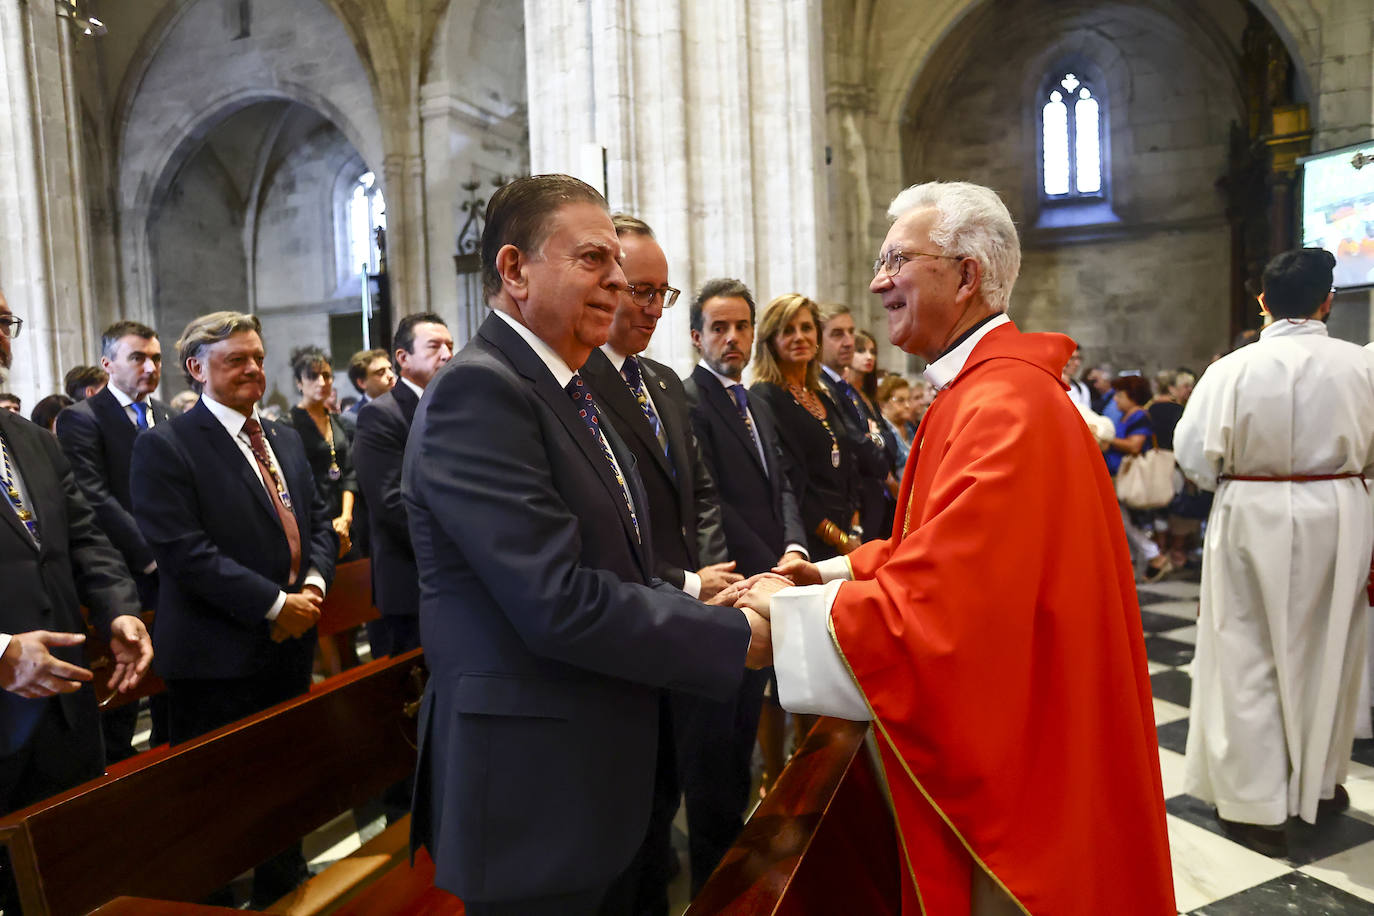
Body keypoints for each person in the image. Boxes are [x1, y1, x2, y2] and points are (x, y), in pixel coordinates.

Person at [735, 180, 1173, 914]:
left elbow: (952, 603)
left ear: (967, 275)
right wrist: (829, 573)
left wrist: (790, 619)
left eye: (896, 260)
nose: (877, 282)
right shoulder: (984, 391)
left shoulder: (1004, 404)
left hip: (1023, 758)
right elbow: (932, 549)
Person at [404, 174, 766, 916]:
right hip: (535, 788)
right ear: (514, 270)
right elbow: (557, 600)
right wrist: (734, 638)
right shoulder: (482, 393)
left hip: (600, 765)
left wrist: (701, 593)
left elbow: (618, 564)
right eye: (594, 259)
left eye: (619, 265)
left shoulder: (568, 389)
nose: (620, 281)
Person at [130, 311, 336, 907]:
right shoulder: (166, 445)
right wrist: (275, 604)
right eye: (236, 360)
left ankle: (284, 886)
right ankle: (216, 900)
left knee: (287, 781)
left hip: (289, 643)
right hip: (216, 653)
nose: (253, 370)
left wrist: (316, 585)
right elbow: (184, 552)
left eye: (257, 358)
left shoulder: (282, 437)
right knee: (219, 801)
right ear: (197, 368)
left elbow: (317, 517)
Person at [1176, 248, 1374, 858]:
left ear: (1263, 301)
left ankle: (1257, 802)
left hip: (1251, 511)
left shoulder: (1230, 370)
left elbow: (1191, 455)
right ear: (1327, 302)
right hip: (1341, 509)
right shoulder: (1362, 366)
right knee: (1328, 645)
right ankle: (1318, 782)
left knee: (1248, 649)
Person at [579, 216, 740, 910]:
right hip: (633, 620)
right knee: (629, 831)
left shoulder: (667, 383)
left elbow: (699, 490)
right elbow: (601, 526)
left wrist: (710, 576)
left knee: (679, 788)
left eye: (661, 295)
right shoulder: (576, 386)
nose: (649, 308)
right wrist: (684, 583)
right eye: (638, 290)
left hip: (686, 616)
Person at [0, 288, 152, 821]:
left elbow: (85, 538)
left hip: (65, 706)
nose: (0, 338)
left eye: (2, 322)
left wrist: (119, 610)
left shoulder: (33, 441)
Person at [56, 321, 173, 760]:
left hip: (175, 573)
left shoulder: (166, 415)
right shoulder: (82, 418)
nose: (150, 366)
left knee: (172, 688)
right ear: (107, 365)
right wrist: (151, 556)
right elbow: (95, 497)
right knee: (123, 701)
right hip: (122, 574)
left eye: (156, 358)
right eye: (137, 357)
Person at [352, 313, 452, 657]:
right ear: (403, 358)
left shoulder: (453, 407)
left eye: (450, 346)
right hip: (412, 581)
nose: (447, 354)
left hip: (456, 579)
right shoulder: (381, 415)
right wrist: (460, 548)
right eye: (435, 346)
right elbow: (391, 503)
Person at [750, 294, 861, 560]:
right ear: (771, 342)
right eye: (787, 330)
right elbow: (791, 479)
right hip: (809, 540)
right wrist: (839, 538)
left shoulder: (820, 394)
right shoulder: (764, 395)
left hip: (846, 533)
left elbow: (848, 462)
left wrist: (854, 529)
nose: (799, 337)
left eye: (806, 328)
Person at [817, 304, 889, 540]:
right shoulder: (821, 386)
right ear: (817, 340)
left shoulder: (845, 389)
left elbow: (888, 443)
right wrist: (874, 444)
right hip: (845, 508)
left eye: (850, 332)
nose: (848, 341)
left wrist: (875, 441)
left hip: (866, 501)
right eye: (838, 334)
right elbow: (855, 443)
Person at [287, 347, 358, 560]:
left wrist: (346, 517)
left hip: (345, 517)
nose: (322, 382)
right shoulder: (286, 425)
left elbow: (349, 473)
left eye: (326, 375)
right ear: (299, 383)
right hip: (311, 523)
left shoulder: (341, 422)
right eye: (313, 376)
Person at [1105, 374, 1167, 579]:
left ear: (1132, 396)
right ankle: (1131, 564)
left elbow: (1134, 445)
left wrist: (1105, 438)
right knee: (1121, 522)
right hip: (1118, 475)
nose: (1116, 399)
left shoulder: (1138, 416)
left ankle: (1153, 555)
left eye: (1120, 395)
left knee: (1123, 522)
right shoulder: (1127, 416)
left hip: (1129, 475)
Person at [338, 347, 395, 437]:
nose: (391, 375)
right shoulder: (352, 418)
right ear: (362, 383)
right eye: (381, 372)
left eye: (390, 369)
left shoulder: (405, 406)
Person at [876, 374, 913, 471]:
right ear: (883, 404)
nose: (907, 405)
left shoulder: (910, 427)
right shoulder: (881, 432)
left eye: (909, 400)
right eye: (901, 400)